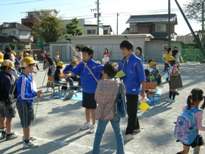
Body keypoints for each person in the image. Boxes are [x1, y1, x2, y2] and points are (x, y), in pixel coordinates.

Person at [92, 63, 125, 154]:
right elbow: (122, 96)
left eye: (103, 71)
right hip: (115, 111)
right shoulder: (118, 82)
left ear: (106, 73)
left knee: (99, 134)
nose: (102, 72)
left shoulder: (101, 83)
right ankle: (121, 152)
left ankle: (95, 152)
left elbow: (96, 98)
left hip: (104, 112)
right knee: (118, 134)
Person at [70, 47, 103, 133]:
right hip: (85, 90)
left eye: (85, 55)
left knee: (93, 109)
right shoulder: (82, 64)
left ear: (90, 55)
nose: (83, 56)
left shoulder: (96, 64)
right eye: (82, 54)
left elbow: (105, 71)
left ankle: (93, 124)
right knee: (87, 108)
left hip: (93, 91)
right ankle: (87, 123)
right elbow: (74, 72)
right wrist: (74, 64)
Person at [118, 40, 146, 141]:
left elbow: (142, 77)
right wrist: (114, 76)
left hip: (134, 90)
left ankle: (129, 132)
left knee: (131, 111)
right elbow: (121, 73)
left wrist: (143, 91)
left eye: (124, 50)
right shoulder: (124, 61)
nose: (122, 52)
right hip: (125, 89)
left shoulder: (137, 61)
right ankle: (136, 127)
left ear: (130, 50)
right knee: (131, 110)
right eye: (122, 50)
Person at [16, 56, 42, 148]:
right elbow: (23, 96)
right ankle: (26, 142)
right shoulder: (23, 79)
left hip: (29, 102)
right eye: (32, 65)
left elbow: (31, 90)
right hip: (23, 103)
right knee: (26, 122)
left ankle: (26, 136)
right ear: (26, 66)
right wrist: (35, 94)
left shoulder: (29, 76)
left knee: (29, 120)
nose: (33, 67)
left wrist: (36, 92)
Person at [175, 88, 205, 154]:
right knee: (198, 141)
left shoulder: (185, 107)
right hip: (192, 135)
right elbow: (200, 127)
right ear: (201, 100)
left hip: (183, 133)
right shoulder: (199, 112)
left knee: (185, 151)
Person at [0, 60, 17, 141]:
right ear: (7, 68)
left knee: (1, 116)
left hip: (0, 100)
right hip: (7, 100)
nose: (11, 70)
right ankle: (8, 133)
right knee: (9, 117)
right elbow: (9, 91)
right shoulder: (7, 77)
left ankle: (2, 131)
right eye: (10, 68)